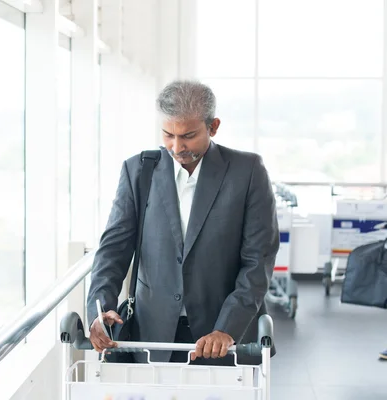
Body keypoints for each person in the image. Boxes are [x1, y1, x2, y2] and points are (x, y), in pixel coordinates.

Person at [86, 79, 280, 365]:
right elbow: (113, 249)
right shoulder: (138, 170)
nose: (177, 147)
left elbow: (258, 260)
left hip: (223, 334)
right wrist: (100, 308)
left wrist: (227, 328)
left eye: (188, 136)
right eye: (168, 135)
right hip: (152, 331)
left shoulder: (247, 172)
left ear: (213, 127)